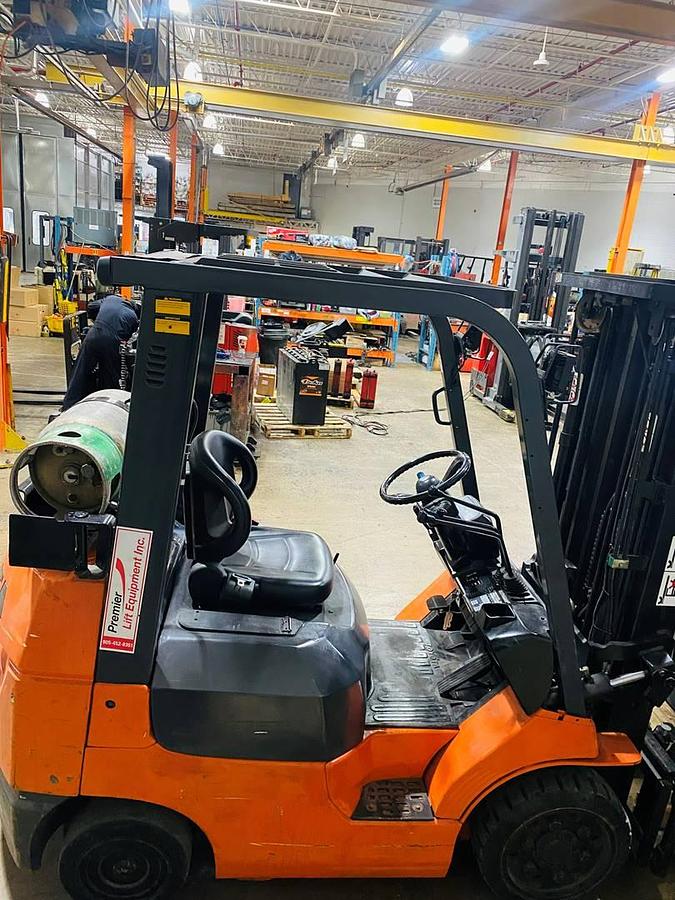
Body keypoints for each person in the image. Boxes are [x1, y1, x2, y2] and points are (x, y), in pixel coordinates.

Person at [62, 294, 139, 410]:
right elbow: (129, 340)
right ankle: (108, 408)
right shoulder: (133, 317)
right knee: (111, 376)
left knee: (80, 372)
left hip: (93, 335)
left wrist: (98, 320)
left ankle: (68, 407)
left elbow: (91, 307)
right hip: (112, 342)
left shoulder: (111, 299)